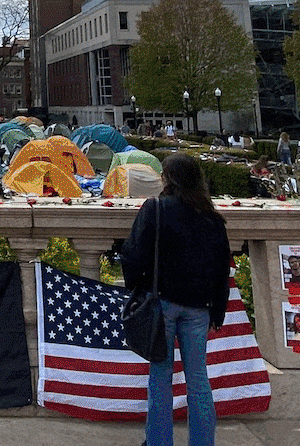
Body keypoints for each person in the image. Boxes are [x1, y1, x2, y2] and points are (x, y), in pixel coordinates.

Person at [121, 154, 230, 446]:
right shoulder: (211, 217)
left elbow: (133, 255)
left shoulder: (155, 208)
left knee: (160, 378)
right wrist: (217, 310)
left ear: (167, 179)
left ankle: (158, 442)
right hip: (199, 307)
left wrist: (138, 286)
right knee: (198, 381)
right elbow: (222, 268)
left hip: (162, 303)